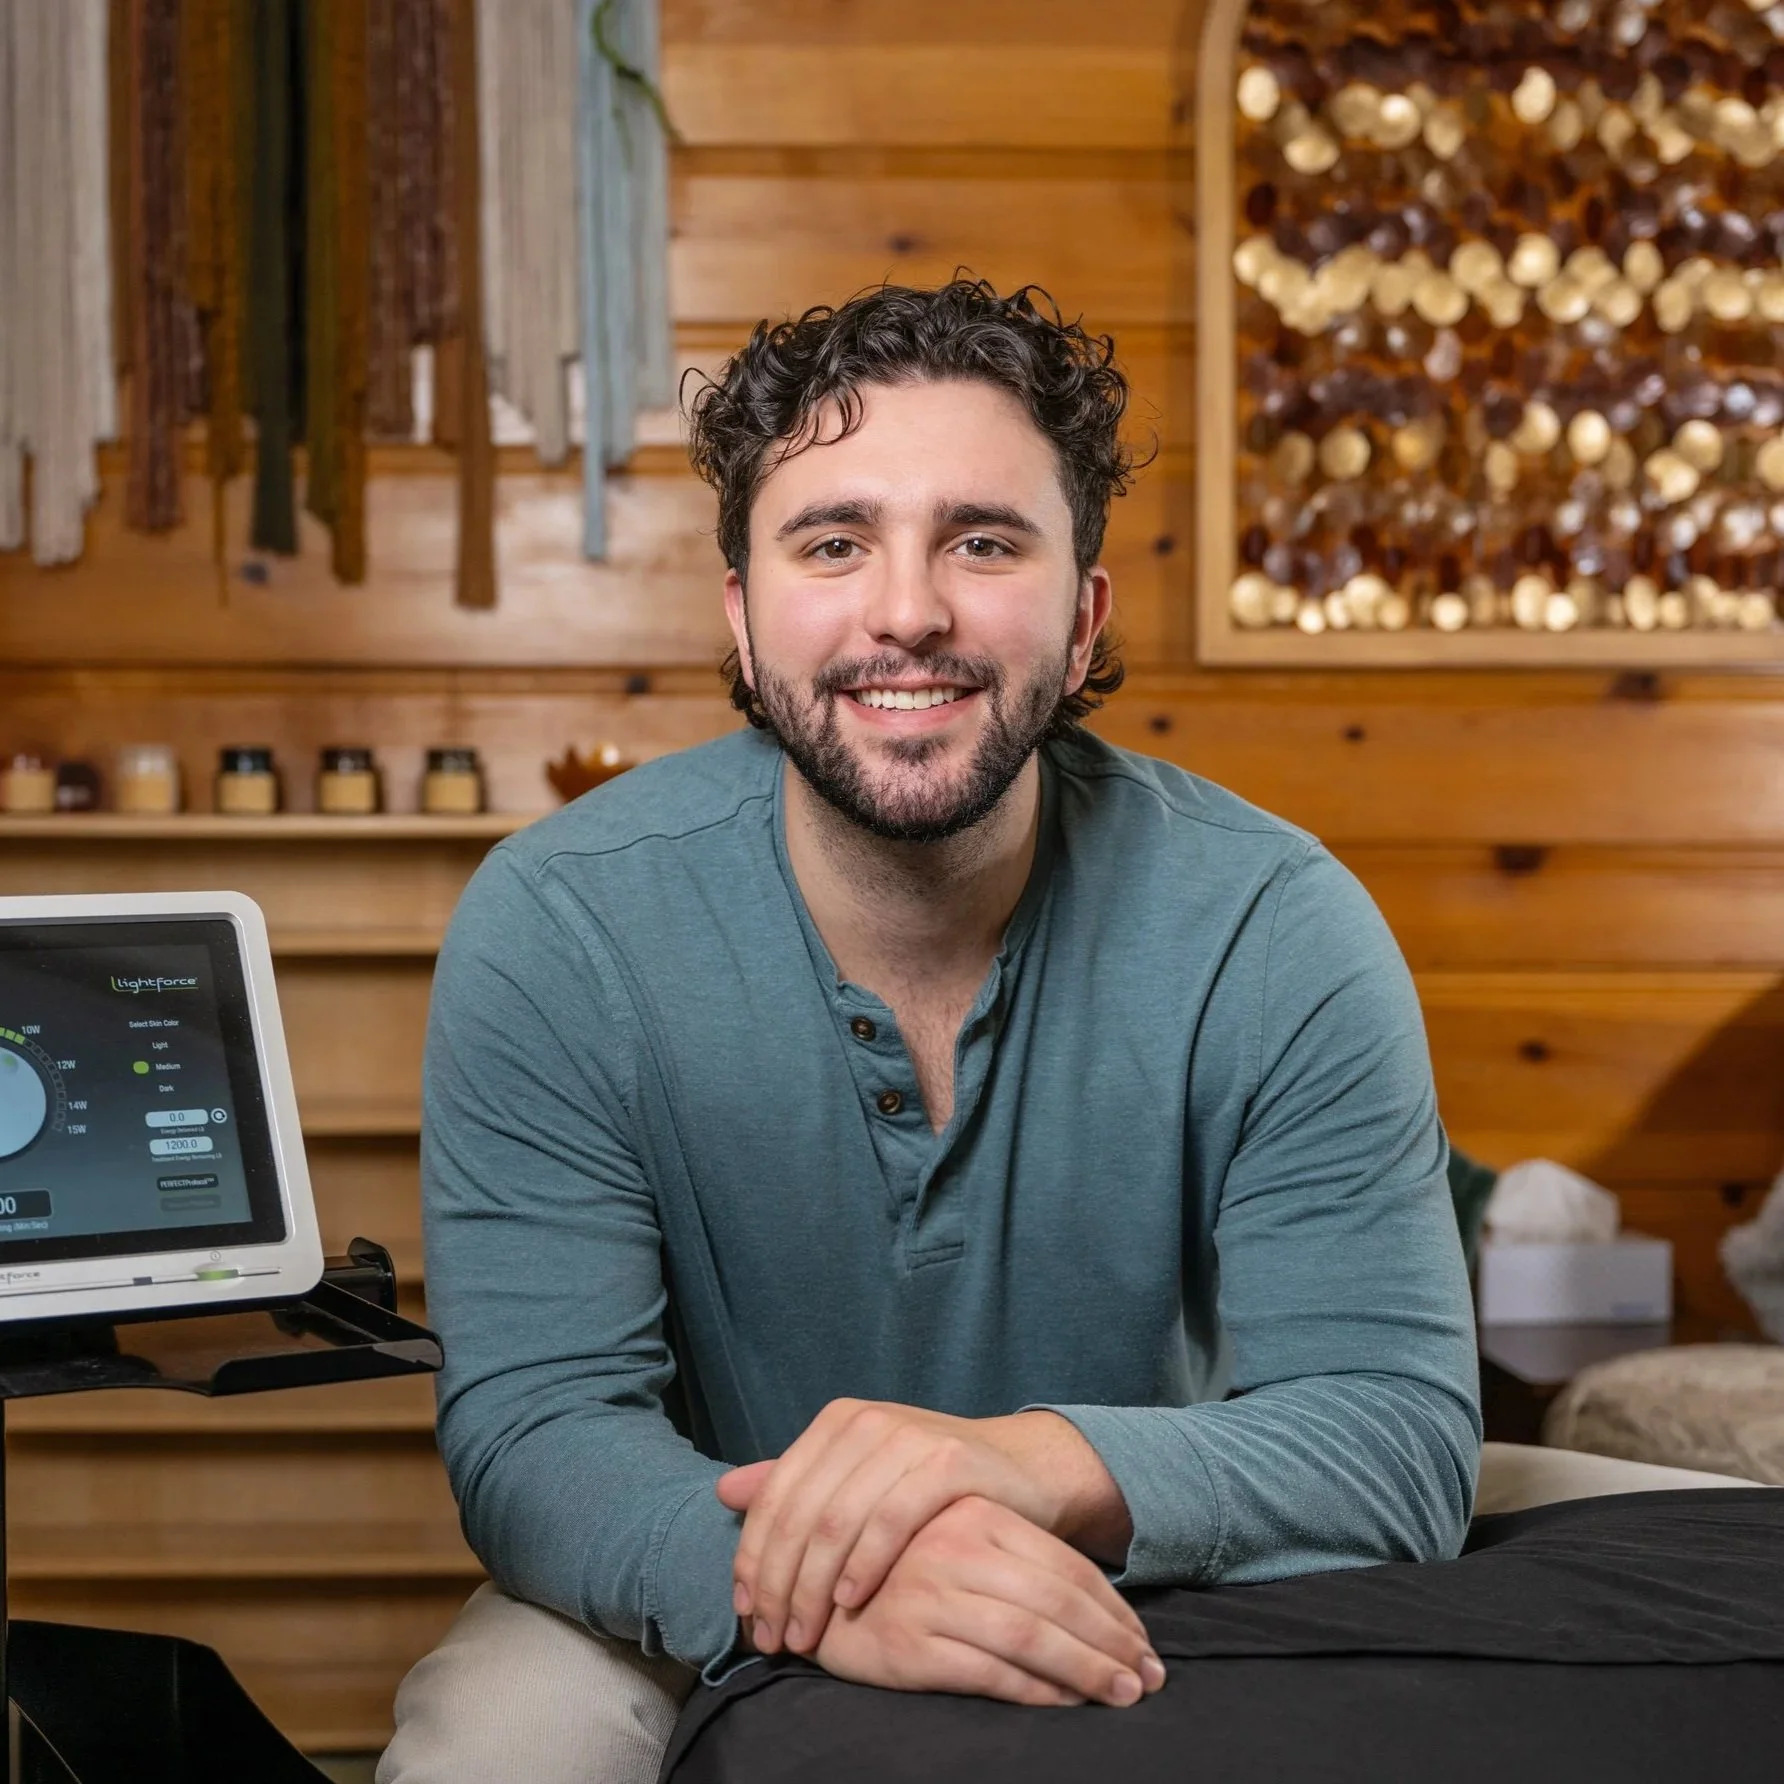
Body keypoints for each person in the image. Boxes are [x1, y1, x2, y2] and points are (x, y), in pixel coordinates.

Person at [377, 280, 1727, 1784]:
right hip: (723, 1550)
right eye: (834, 543)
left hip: (1174, 1535)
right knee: (487, 1749)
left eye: (984, 540)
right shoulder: (561, 926)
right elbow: (539, 1432)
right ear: (745, 623)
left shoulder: (1275, 920)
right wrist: (834, 1582)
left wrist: (1017, 1465)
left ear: (1083, 619)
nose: (908, 609)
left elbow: (1395, 1432)